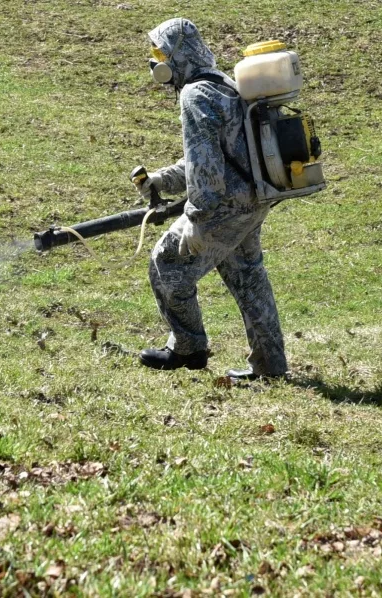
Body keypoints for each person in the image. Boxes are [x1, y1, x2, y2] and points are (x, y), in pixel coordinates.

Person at [134, 18, 287, 381]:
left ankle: (188, 348)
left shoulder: (195, 94)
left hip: (223, 206)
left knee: (166, 262)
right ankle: (270, 366)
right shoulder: (224, 84)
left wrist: (197, 218)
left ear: (177, 55)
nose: (156, 62)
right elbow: (211, 156)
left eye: (159, 53)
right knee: (248, 277)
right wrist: (161, 179)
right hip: (255, 198)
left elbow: (206, 167)